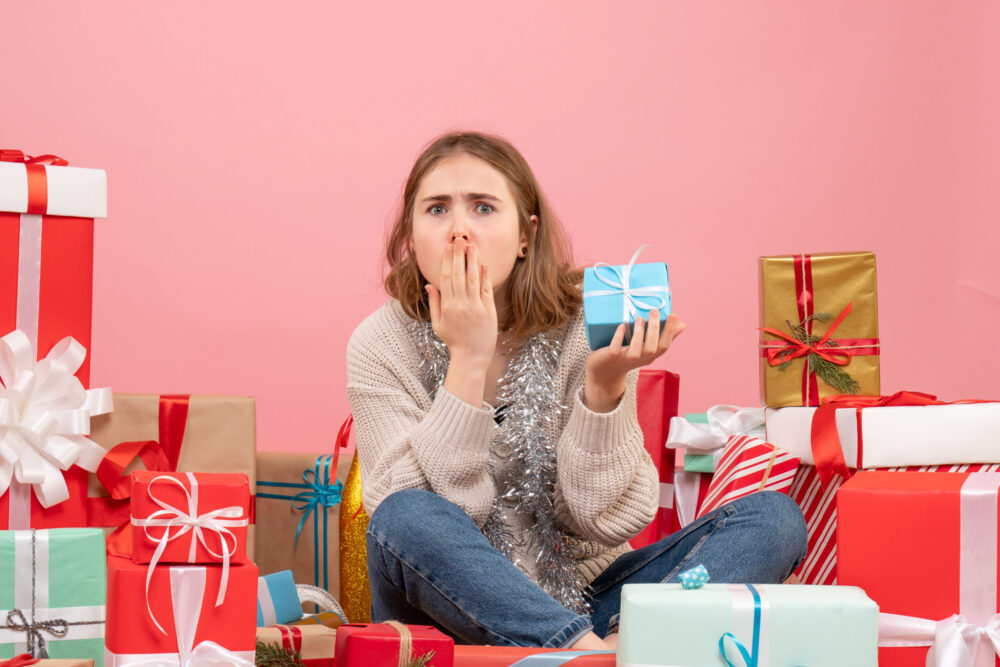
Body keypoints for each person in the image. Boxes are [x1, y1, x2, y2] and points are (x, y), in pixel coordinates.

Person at [346, 131, 807, 650]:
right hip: (447, 614)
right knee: (406, 513)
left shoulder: (584, 322)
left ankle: (624, 644)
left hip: (589, 598)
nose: (458, 231)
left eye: (483, 208)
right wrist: (467, 361)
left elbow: (601, 519)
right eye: (436, 209)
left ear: (526, 234)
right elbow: (408, 521)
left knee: (773, 518)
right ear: (411, 235)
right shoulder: (379, 342)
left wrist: (603, 389)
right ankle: (598, 658)